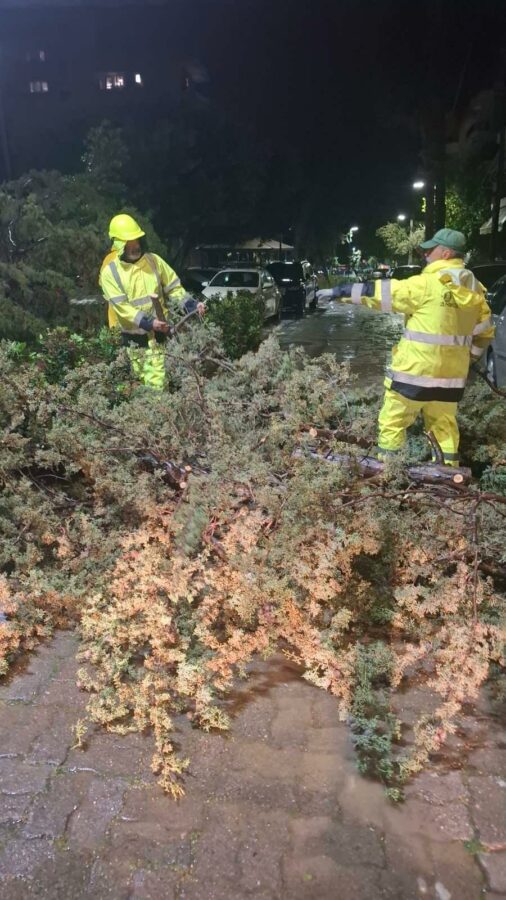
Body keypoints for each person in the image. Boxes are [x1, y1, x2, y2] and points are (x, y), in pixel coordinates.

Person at [317, 229, 495, 466]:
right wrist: (467, 360)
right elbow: (484, 334)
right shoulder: (475, 293)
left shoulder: (426, 284)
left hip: (413, 375)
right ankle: (448, 478)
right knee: (444, 427)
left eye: (430, 250)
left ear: (446, 252)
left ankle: (390, 474)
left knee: (393, 423)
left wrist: (338, 292)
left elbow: (379, 293)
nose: (425, 254)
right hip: (451, 379)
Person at [99, 214, 205, 390]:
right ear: (118, 245)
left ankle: (161, 413)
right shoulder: (110, 273)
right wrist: (149, 322)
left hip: (158, 336)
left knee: (157, 385)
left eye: (136, 240)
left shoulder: (153, 261)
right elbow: (122, 308)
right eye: (129, 243)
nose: (135, 246)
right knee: (142, 384)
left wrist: (192, 305)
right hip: (133, 340)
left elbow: (174, 288)